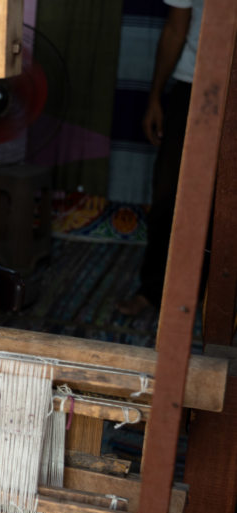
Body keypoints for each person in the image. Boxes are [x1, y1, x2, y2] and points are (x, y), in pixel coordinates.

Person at [118, 0, 203, 315]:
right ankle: (154, 291)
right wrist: (155, 97)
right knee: (170, 194)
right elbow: (175, 27)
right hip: (195, 84)